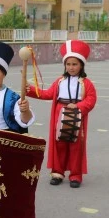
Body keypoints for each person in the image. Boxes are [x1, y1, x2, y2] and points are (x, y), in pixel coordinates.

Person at [26, 40, 97, 188]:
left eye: (75, 64)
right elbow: (47, 94)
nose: (71, 67)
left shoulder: (87, 83)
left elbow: (91, 99)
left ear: (81, 65)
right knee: (59, 144)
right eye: (68, 64)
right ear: (64, 65)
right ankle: (57, 172)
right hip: (60, 113)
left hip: (76, 114)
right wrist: (30, 89)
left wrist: (78, 106)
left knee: (76, 145)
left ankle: (75, 175)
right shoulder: (60, 81)